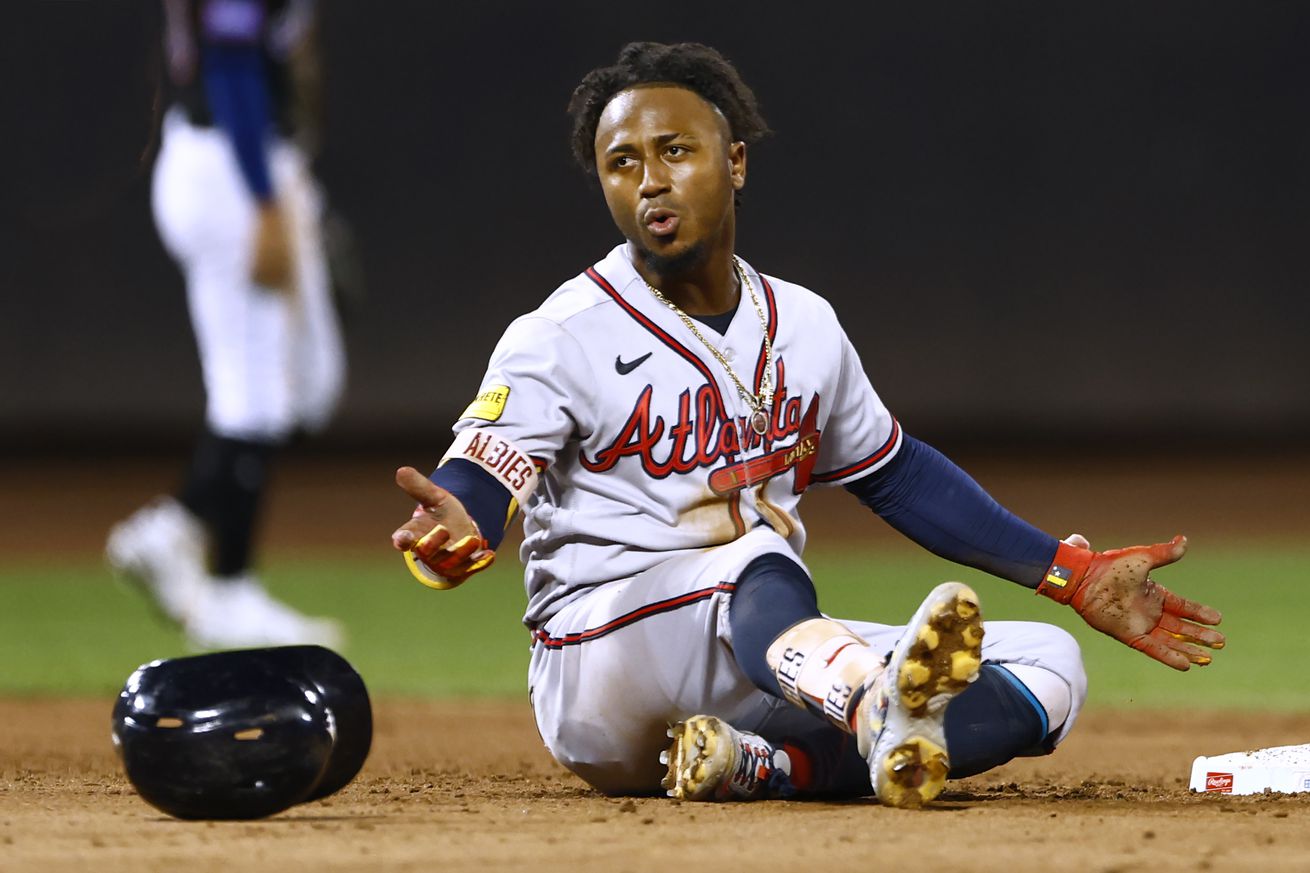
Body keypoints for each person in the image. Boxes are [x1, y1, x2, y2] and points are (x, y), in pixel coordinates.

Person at [389, 41, 1225, 808]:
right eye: (621, 163)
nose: (648, 179)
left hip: (768, 653)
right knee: (751, 555)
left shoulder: (805, 324)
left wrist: (1068, 575)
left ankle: (764, 766)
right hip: (600, 661)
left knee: (1049, 666)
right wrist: (457, 519)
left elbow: (896, 474)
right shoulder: (562, 333)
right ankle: (872, 705)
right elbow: (480, 473)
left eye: (674, 151)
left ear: (737, 162)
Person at [107, 0, 345, 651]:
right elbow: (232, 61)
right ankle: (231, 589)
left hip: (244, 159)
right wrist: (265, 197)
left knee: (305, 384)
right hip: (236, 166)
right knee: (256, 394)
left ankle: (172, 527)